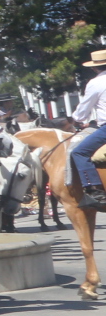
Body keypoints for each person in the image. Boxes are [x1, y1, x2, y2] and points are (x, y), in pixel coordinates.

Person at [68, 49, 106, 210]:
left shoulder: (95, 83)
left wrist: (77, 119)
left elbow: (83, 111)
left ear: (94, 68)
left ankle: (95, 191)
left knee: (78, 152)